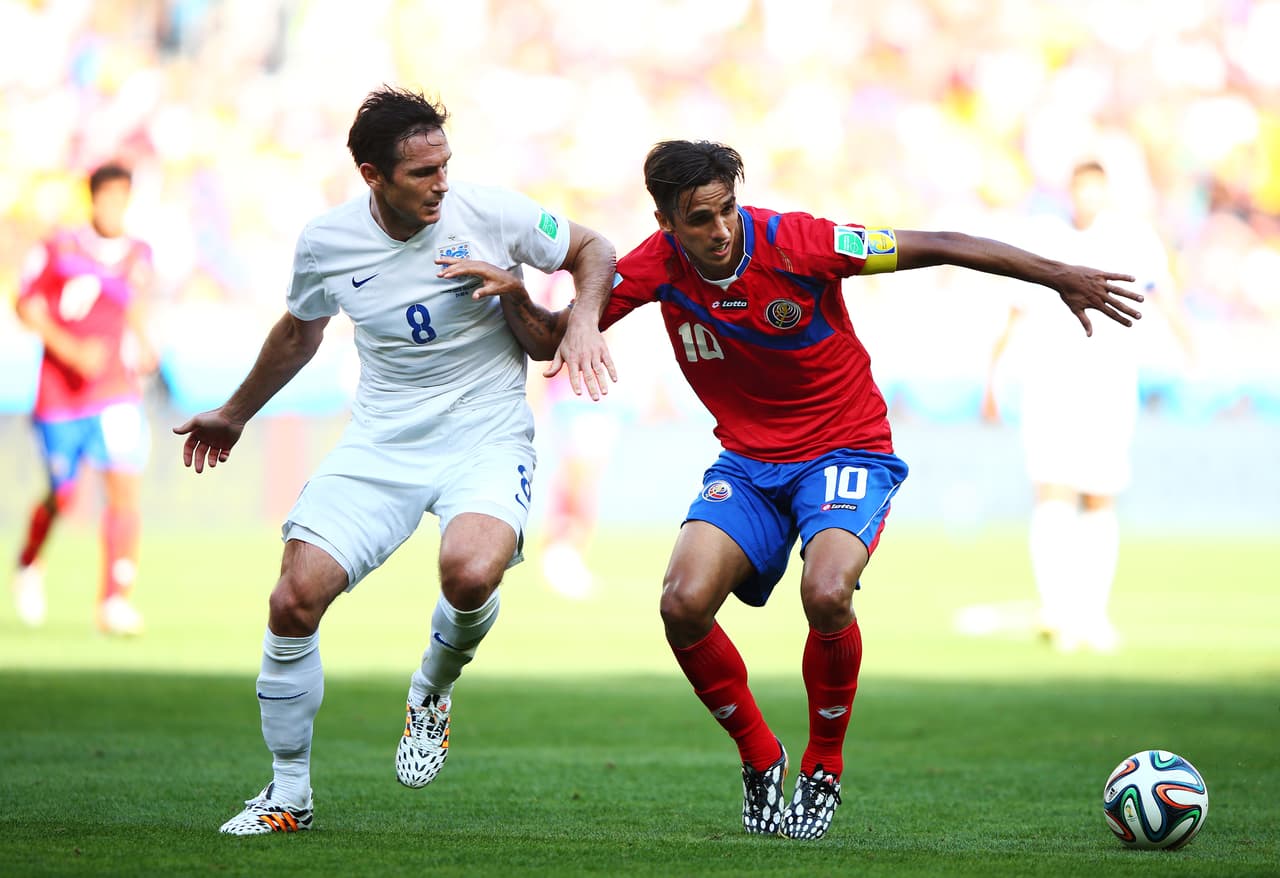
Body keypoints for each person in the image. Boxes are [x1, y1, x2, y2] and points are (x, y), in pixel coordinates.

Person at [494, 141, 1143, 841]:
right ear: (665, 220)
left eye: (726, 211)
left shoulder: (798, 241)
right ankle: (760, 757)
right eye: (698, 220)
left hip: (846, 447)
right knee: (681, 604)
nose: (719, 231)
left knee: (827, 590)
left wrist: (1058, 276)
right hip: (747, 462)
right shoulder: (654, 264)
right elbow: (548, 342)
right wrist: (509, 291)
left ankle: (823, 766)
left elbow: (945, 244)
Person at [172, 87, 616, 836]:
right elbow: (298, 331)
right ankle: (287, 797)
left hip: (486, 432)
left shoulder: (490, 211)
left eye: (445, 164)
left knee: (471, 572)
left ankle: (432, 690)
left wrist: (583, 319)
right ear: (373, 176)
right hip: (382, 441)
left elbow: (593, 248)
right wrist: (235, 410)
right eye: (421, 173)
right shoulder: (326, 241)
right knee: (293, 599)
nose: (442, 183)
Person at [983, 159, 1188, 653]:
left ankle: (1092, 612)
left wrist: (1191, 350)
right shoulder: (1045, 237)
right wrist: (992, 375)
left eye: (1095, 190)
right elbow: (1014, 311)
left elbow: (1165, 299)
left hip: (1109, 384)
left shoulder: (1134, 240)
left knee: (1100, 493)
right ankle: (1056, 609)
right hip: (1050, 381)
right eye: (1080, 190)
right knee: (1052, 490)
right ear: (1069, 193)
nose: (1086, 199)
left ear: (1106, 192)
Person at [11, 162, 157, 636]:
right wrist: (71, 350)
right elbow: (25, 304)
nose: (114, 207)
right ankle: (30, 560)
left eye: (122, 198)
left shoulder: (138, 253)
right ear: (93, 199)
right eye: (107, 198)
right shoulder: (60, 246)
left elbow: (134, 302)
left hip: (115, 391)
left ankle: (115, 600)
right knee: (63, 495)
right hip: (60, 395)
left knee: (124, 488)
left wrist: (145, 341)